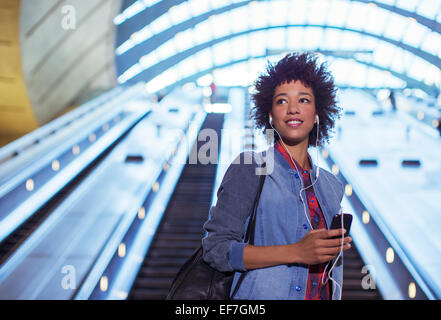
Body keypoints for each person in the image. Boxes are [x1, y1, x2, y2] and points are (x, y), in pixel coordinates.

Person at [202, 52, 352, 300]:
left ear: (317, 113)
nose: (293, 109)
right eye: (282, 101)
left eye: (304, 100)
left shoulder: (330, 185)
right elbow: (216, 249)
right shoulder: (249, 167)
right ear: (270, 115)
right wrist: (297, 252)